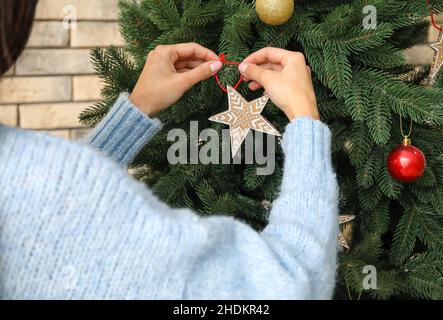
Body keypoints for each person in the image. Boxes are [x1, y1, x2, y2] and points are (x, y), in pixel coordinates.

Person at [0, 0, 338, 299]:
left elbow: (68, 211)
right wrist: (305, 118)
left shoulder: (35, 183)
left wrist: (138, 107)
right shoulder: (39, 185)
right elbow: (293, 285)